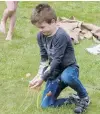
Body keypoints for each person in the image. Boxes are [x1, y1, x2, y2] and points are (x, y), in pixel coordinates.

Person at [29, 3, 90, 113]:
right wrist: (38, 76)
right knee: (46, 105)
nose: (40, 30)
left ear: (53, 22)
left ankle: (84, 97)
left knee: (67, 77)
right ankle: (73, 100)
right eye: (38, 28)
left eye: (42, 27)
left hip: (69, 69)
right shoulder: (40, 36)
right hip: (55, 72)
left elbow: (57, 59)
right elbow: (44, 58)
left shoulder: (60, 35)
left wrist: (43, 78)